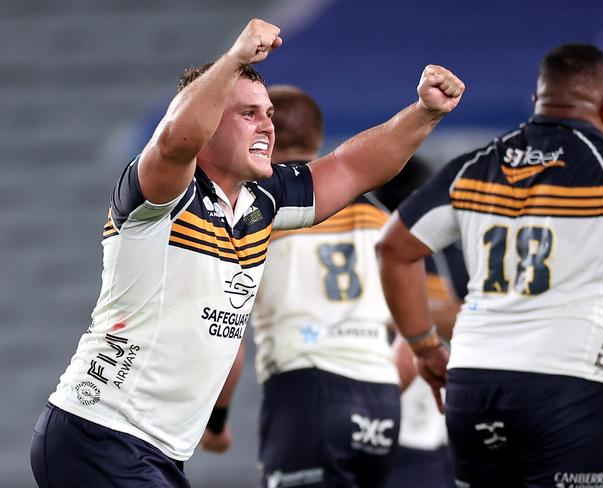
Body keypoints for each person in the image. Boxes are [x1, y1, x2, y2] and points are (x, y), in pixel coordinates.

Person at [29, 18, 464, 488]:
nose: (267, 127)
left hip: (153, 450)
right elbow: (175, 136)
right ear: (210, 121)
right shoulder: (163, 194)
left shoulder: (265, 201)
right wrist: (234, 58)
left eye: (269, 114)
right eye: (248, 114)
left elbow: (353, 167)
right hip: (99, 433)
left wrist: (423, 113)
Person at [377, 43, 603, 488]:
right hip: (572, 389)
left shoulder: (473, 168)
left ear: (535, 103)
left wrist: (425, 348)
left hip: (473, 390)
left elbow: (393, 249)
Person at [232, 84, 400, 487]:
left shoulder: (255, 211)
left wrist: (218, 420)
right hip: (382, 393)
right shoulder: (380, 216)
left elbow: (225, 330)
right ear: (318, 138)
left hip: (306, 387)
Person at [375, 158, 467, 488]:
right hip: (402, 418)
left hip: (428, 423)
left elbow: (475, 318)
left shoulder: (450, 252)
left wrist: (404, 317)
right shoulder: (441, 249)